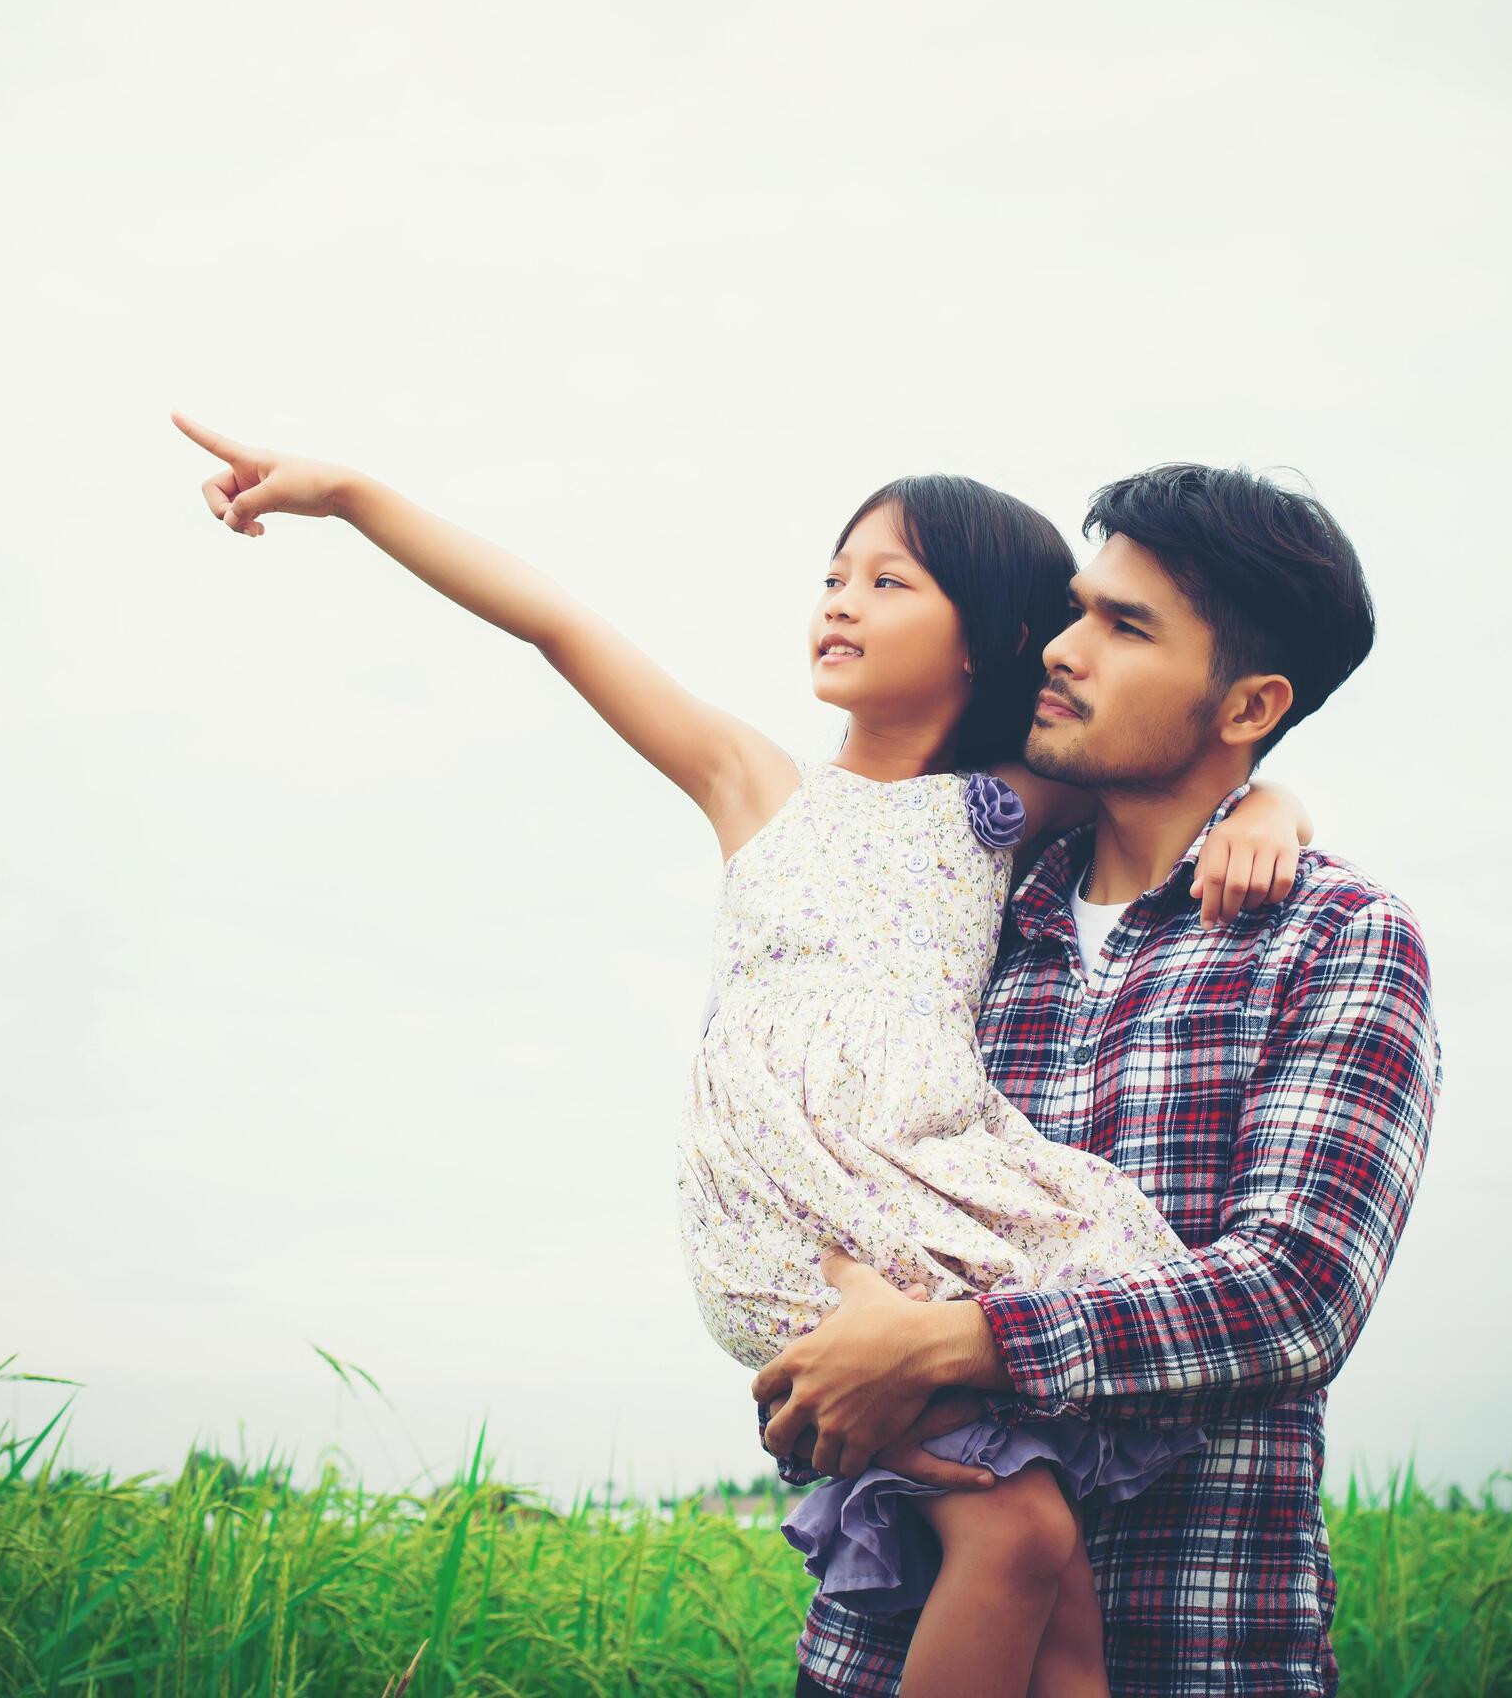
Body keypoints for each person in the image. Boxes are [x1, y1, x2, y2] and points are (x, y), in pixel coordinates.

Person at [172, 414, 1327, 1698]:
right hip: (798, 1212)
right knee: (1018, 1528)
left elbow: (1190, 771)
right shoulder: (756, 786)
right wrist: (352, 494)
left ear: (987, 640)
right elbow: (557, 623)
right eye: (834, 574)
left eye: (889, 581)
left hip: (930, 1204)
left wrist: (1270, 805)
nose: (840, 602)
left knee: (1050, 1565)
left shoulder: (1005, 811)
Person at [751, 463, 1441, 1697]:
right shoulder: (960, 910)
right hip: (887, 1653)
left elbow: (1296, 1295)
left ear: (1251, 703)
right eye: (1079, 608)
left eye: (1125, 627)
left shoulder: (1336, 937)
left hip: (1195, 1637)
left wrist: (954, 1345)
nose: (1063, 649)